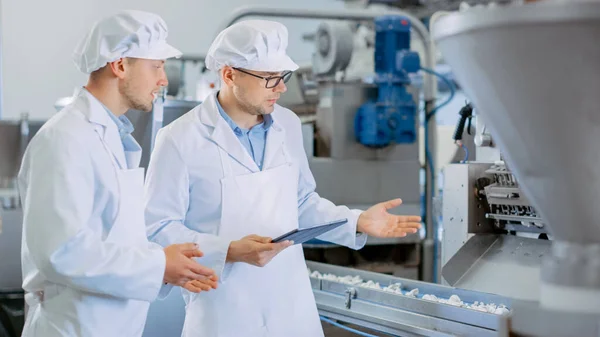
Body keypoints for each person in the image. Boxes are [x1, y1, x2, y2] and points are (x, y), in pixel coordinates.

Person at [144, 20, 422, 337]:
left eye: (283, 76)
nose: (282, 87)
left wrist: (356, 221)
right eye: (269, 78)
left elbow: (302, 202)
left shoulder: (287, 125)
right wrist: (229, 250)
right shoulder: (179, 139)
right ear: (229, 74)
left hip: (291, 308)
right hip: (223, 312)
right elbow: (158, 229)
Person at [18, 10, 217, 337]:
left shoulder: (109, 135)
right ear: (120, 65)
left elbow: (114, 239)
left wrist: (167, 267)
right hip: (72, 327)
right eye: (157, 66)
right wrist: (159, 264)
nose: (163, 80)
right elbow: (62, 252)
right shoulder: (64, 139)